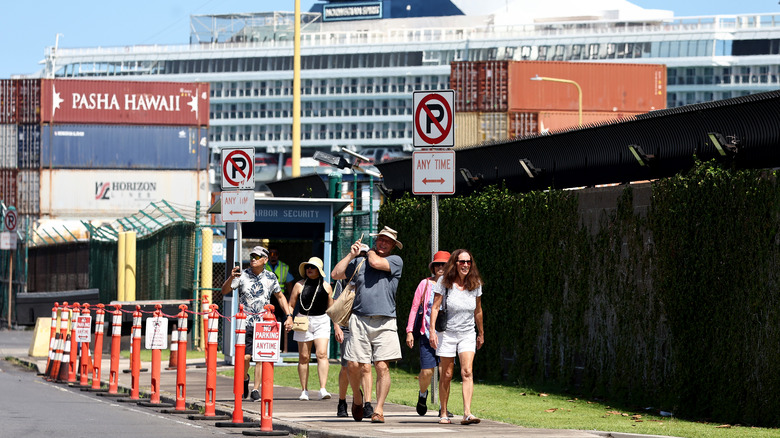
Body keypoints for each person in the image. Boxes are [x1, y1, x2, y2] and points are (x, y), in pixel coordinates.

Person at [331, 226, 403, 423]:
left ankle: (378, 410)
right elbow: (336, 274)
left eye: (387, 241)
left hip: (385, 320)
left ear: (393, 246)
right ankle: (357, 396)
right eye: (380, 239)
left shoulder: (394, 261)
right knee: (353, 365)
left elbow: (375, 261)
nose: (382, 243)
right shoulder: (359, 261)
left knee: (381, 366)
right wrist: (351, 254)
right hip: (359, 319)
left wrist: (368, 250)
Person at [221, 245, 294, 401]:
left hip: (263, 323)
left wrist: (289, 315)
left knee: (260, 357)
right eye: (252, 256)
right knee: (246, 357)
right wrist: (231, 277)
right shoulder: (242, 275)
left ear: (265, 260)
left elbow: (280, 296)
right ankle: (245, 378)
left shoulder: (271, 276)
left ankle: (255, 389)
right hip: (245, 322)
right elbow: (225, 291)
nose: (253, 259)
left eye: (257, 257)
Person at [429, 249, 484, 425]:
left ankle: (467, 413)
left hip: (467, 333)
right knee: (446, 373)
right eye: (462, 262)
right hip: (447, 333)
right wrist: (431, 330)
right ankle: (443, 412)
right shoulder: (444, 283)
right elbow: (435, 307)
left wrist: (481, 333)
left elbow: (478, 311)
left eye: (468, 262)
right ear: (455, 263)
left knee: (467, 371)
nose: (466, 265)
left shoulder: (475, 283)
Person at [405, 250, 450, 417]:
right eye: (437, 264)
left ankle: (443, 408)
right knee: (427, 372)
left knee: (445, 372)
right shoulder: (424, 284)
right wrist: (410, 331)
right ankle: (422, 394)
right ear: (433, 267)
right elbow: (415, 308)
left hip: (446, 335)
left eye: (444, 264)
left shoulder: (452, 285)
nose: (440, 267)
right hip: (426, 334)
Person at [288, 257, 334, 401]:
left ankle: (322, 389)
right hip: (303, 319)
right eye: (308, 267)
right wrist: (289, 317)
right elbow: (291, 305)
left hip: (322, 320)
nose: (309, 269)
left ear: (319, 271)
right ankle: (304, 390)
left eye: (313, 267)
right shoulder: (299, 285)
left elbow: (331, 309)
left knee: (321, 354)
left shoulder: (327, 286)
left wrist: (337, 326)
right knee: (304, 357)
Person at [332, 277, 374, 419]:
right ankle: (342, 401)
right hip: (347, 327)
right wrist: (337, 326)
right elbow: (336, 303)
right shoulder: (343, 280)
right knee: (346, 367)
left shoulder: (371, 276)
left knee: (366, 366)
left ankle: (367, 404)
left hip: (365, 327)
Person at [266, 248, 295, 352]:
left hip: (279, 298)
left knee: (279, 322)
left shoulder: (284, 267)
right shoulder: (263, 266)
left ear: (278, 255)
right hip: (266, 298)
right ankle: (266, 344)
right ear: (268, 255)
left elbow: (290, 283)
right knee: (265, 321)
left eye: (275, 254)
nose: (273, 256)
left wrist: (291, 299)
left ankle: (279, 347)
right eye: (271, 254)